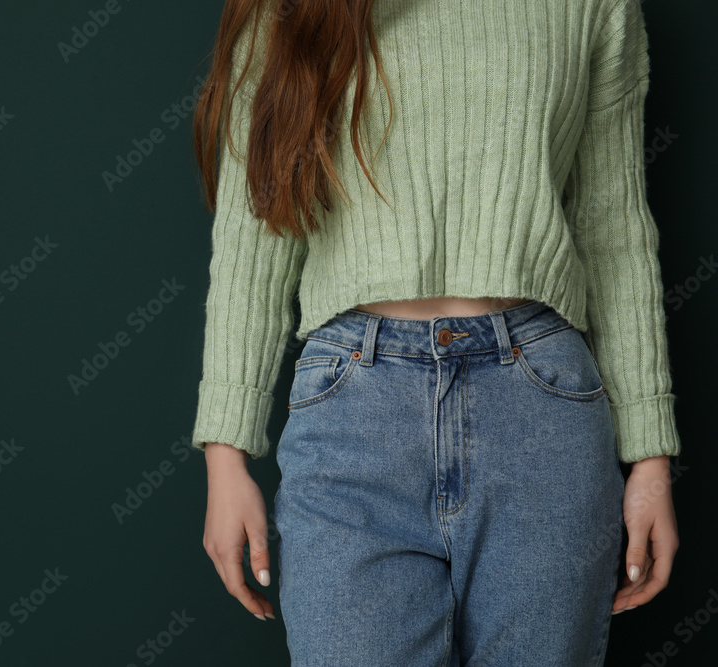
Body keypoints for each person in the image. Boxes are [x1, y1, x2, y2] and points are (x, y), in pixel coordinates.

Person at [190, 0, 680, 664]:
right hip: (351, 416)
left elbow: (613, 225)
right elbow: (254, 235)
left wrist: (650, 460)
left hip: (541, 410)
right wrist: (226, 455)